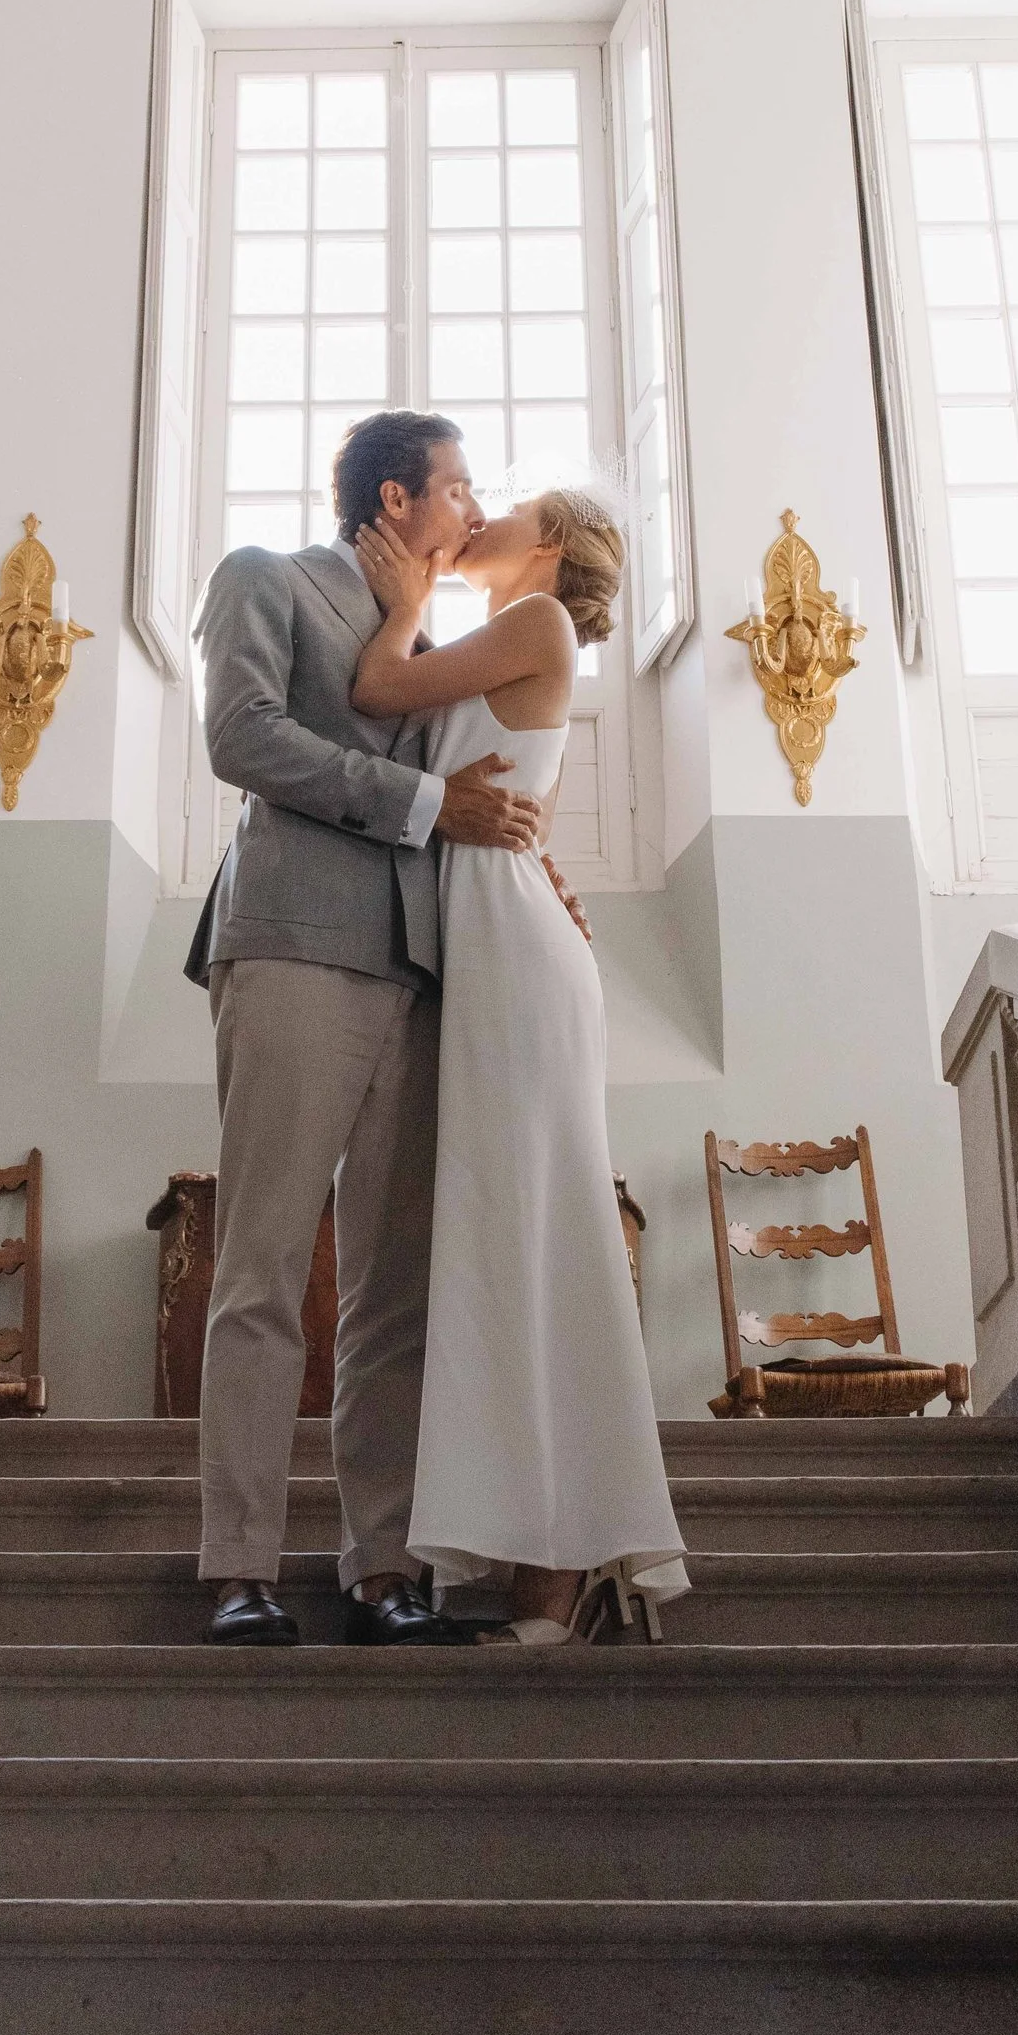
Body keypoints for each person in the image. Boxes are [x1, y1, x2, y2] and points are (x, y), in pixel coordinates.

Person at [185, 410, 544, 1647]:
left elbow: (492, 799)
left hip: (423, 969)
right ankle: (237, 1563)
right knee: (262, 1270)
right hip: (291, 941)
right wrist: (425, 801)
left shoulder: (433, 638)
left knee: (394, 1290)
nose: (473, 508)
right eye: (458, 487)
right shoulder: (264, 579)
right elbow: (243, 738)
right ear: (396, 499)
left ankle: (380, 1564)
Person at [349, 487, 687, 1644]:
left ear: (548, 544)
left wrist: (401, 600)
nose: (484, 513)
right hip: (490, 941)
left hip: (518, 963)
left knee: (543, 1242)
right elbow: (495, 784)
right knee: (497, 1245)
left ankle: (565, 1568)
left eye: (515, 504)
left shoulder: (537, 619)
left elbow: (377, 688)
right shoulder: (506, 634)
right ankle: (526, 1549)